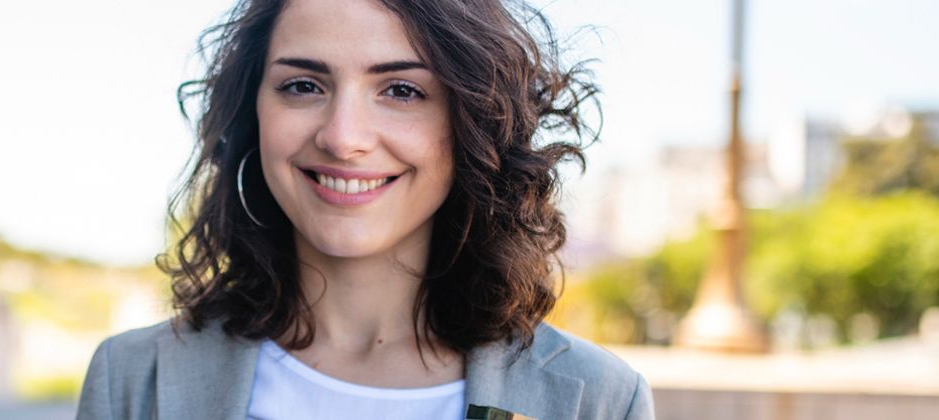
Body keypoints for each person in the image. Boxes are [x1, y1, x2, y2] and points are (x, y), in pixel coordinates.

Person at [77, 0, 652, 418]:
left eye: (401, 91)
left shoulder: (599, 397)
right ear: (251, 114)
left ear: (472, 125)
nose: (343, 137)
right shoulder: (133, 379)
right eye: (303, 85)